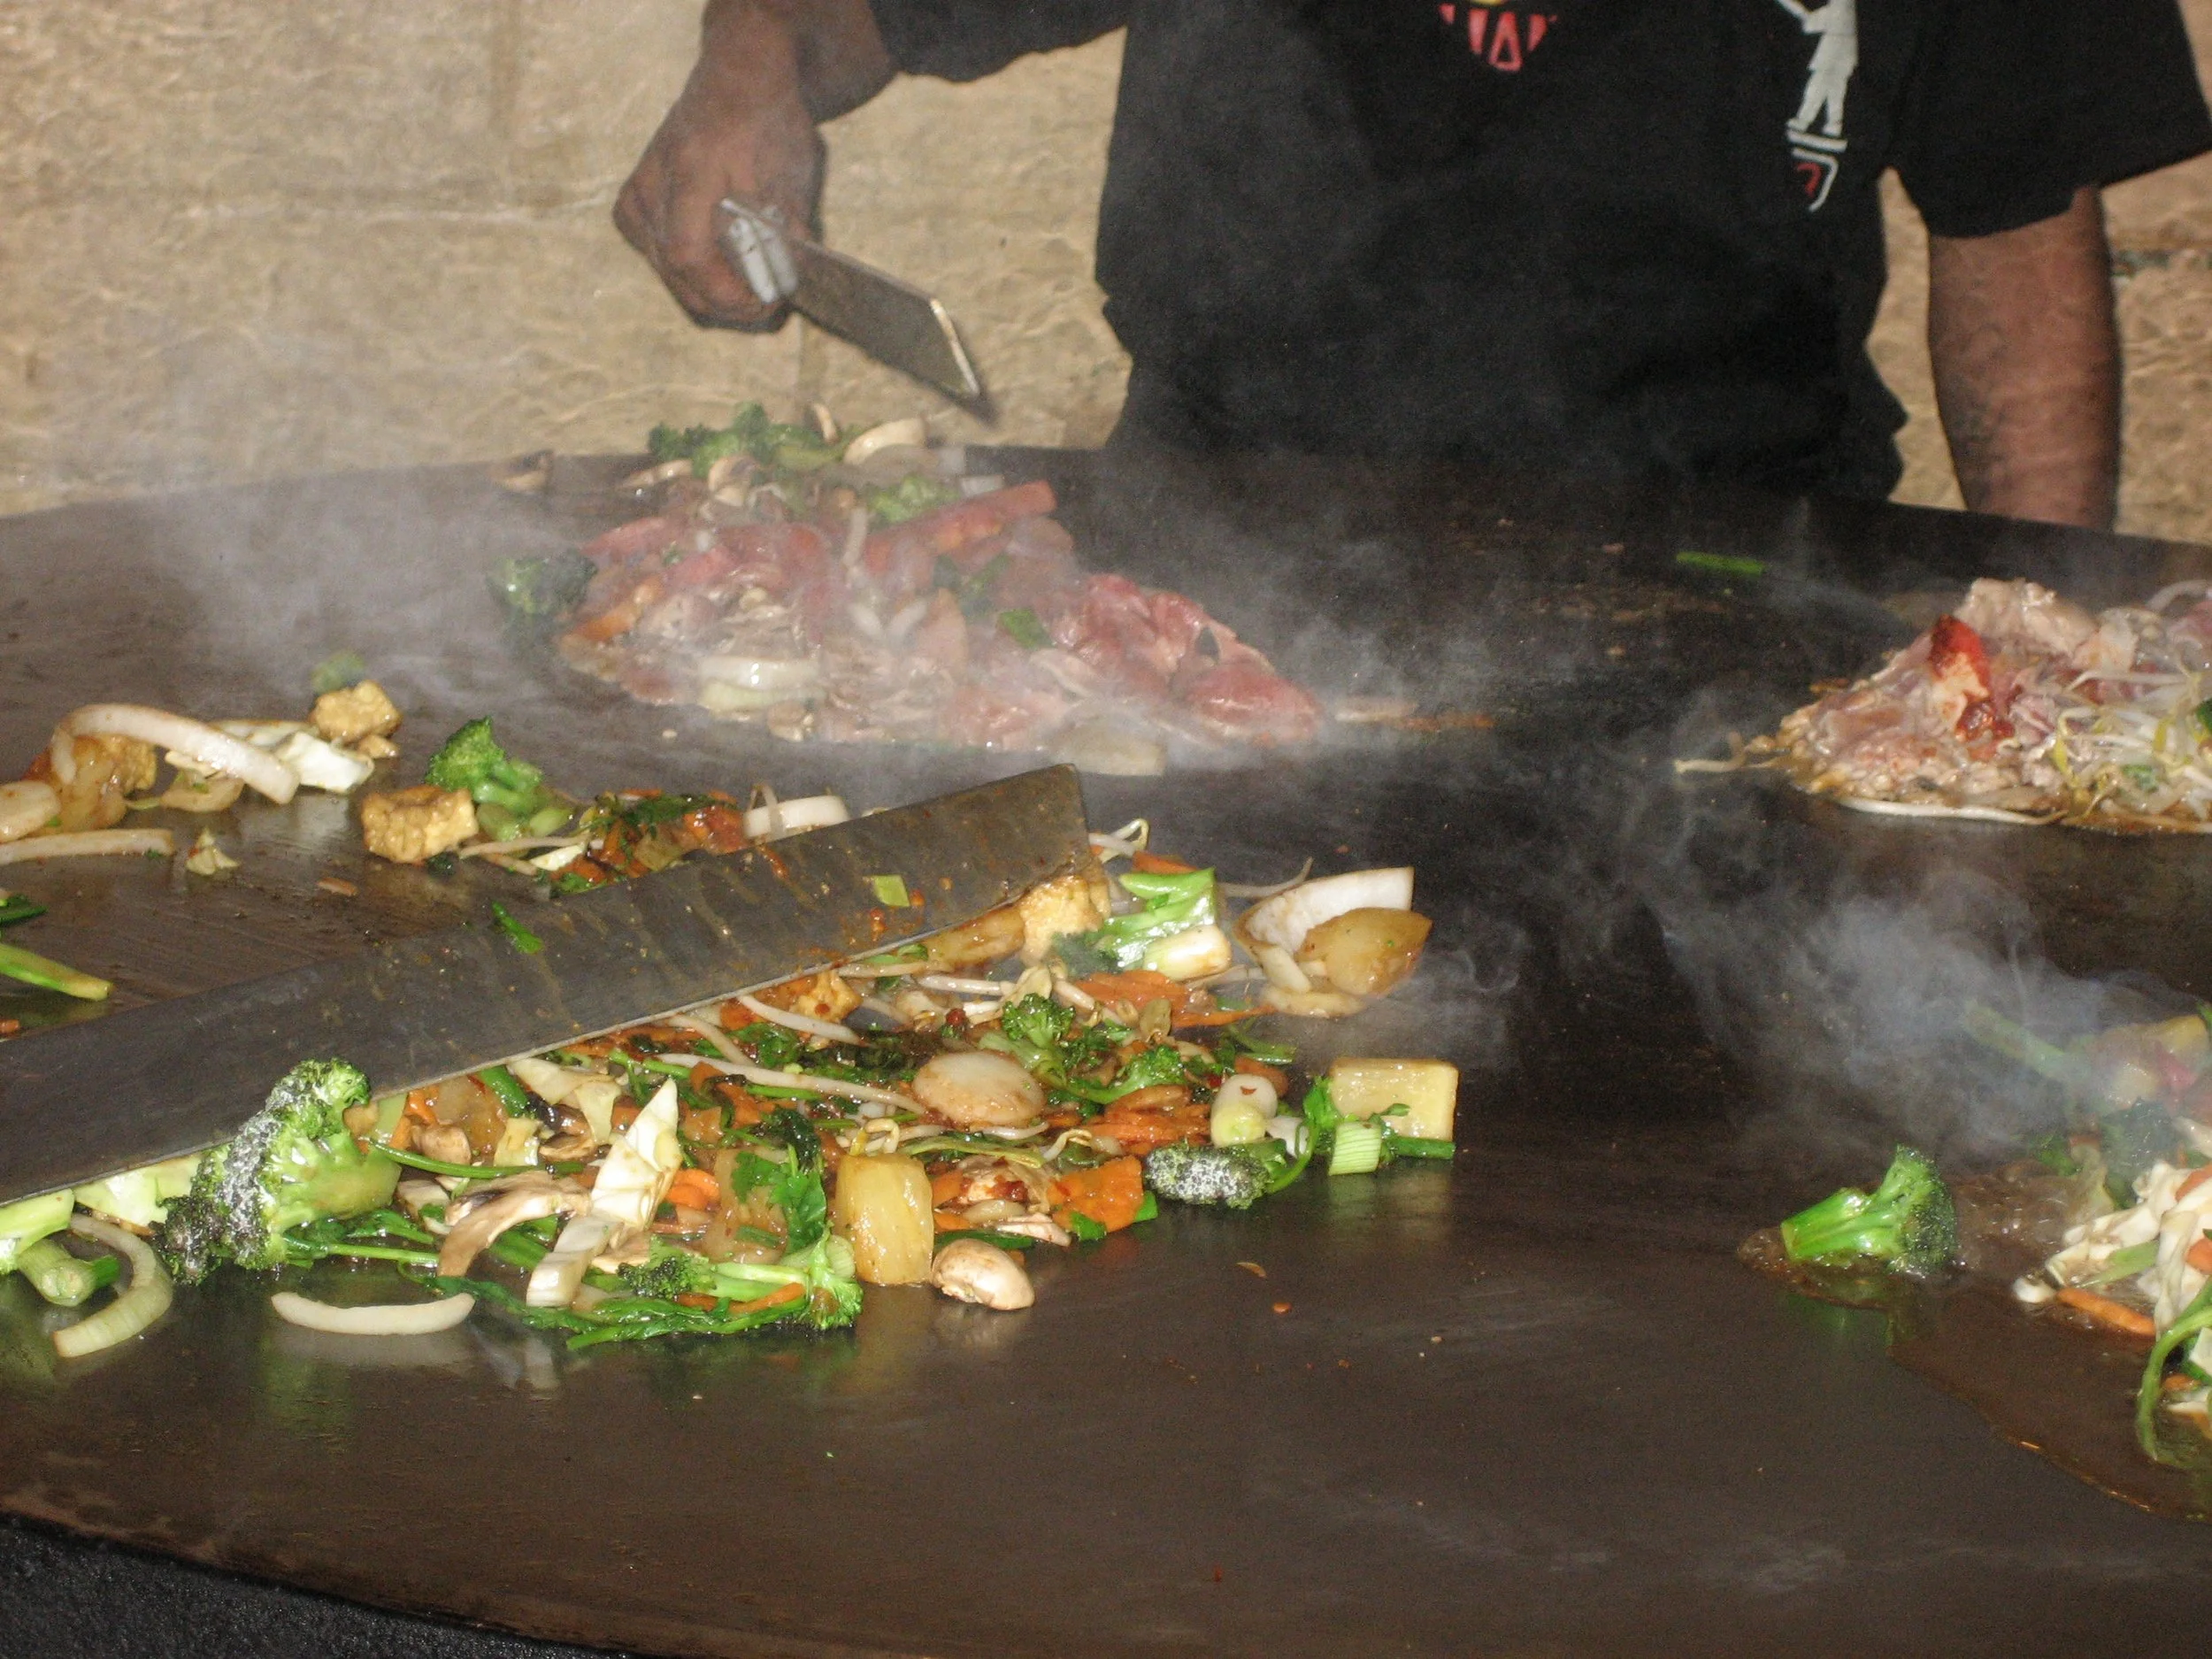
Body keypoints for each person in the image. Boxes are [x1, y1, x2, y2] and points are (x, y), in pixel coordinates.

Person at [616, 0, 2211, 530]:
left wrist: (2021, 640)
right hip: (1227, 550)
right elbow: (839, 10)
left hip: (1747, 574)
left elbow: (2016, 230)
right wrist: (745, 74)